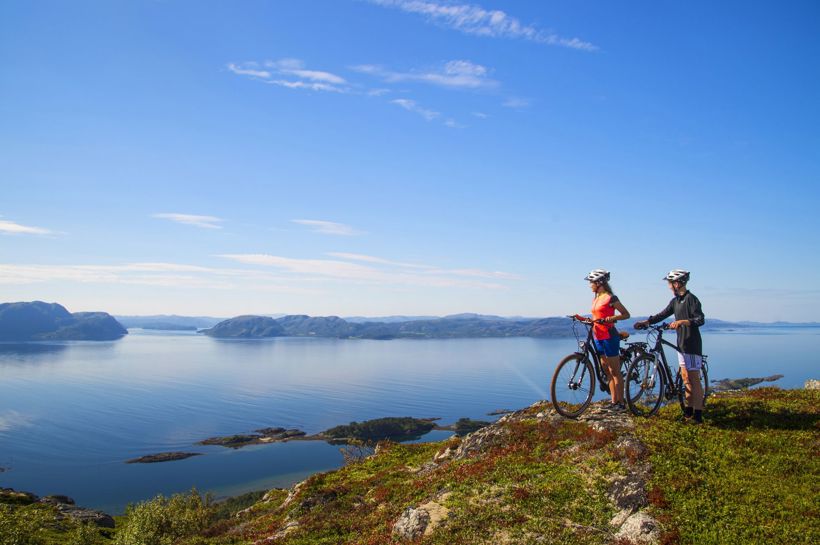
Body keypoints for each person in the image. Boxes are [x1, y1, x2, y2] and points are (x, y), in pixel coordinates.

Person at [635, 269, 706, 424]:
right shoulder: (675, 301)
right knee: (686, 378)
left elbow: (700, 319)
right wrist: (647, 322)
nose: (668, 286)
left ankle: (698, 415)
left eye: (669, 283)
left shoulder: (691, 299)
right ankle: (688, 413)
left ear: (677, 283)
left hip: (692, 345)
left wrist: (682, 322)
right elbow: (663, 314)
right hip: (681, 344)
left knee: (694, 379)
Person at [576, 269, 631, 410]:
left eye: (591, 282)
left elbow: (626, 314)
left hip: (609, 335)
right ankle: (614, 402)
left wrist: (612, 318)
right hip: (598, 335)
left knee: (614, 371)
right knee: (606, 370)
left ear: (599, 282)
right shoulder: (596, 298)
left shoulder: (610, 298)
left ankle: (621, 403)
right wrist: (587, 319)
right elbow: (597, 316)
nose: (589, 285)